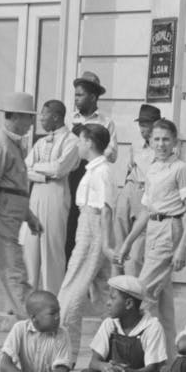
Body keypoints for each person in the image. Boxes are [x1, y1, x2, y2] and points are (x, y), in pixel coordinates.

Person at [115, 118, 186, 358]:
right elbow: (146, 211)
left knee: (142, 295)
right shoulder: (151, 169)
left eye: (166, 139)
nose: (161, 144)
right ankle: (169, 362)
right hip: (153, 229)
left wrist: (182, 248)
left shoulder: (181, 169)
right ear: (149, 141)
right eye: (157, 139)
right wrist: (128, 242)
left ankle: (138, 357)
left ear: (175, 142)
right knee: (163, 304)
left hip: (170, 230)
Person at [0, 92, 43, 317]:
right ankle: (36, 330)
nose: (32, 123)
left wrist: (29, 217)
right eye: (28, 117)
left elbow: (14, 189)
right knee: (16, 276)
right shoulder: (0, 145)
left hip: (6, 220)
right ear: (16, 117)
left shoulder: (13, 145)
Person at [56, 123, 116, 362]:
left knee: (71, 293)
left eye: (80, 140)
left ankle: (66, 355)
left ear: (89, 142)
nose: (78, 145)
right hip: (89, 225)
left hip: (93, 230)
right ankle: (119, 347)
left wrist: (103, 244)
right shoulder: (94, 170)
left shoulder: (101, 172)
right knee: (103, 298)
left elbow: (106, 209)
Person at [23, 99, 78, 294]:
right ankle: (28, 300)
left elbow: (60, 169)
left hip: (56, 195)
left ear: (56, 116)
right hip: (36, 194)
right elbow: (24, 168)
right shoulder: (39, 142)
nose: (41, 119)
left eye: (44, 115)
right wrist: (42, 173)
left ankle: (51, 299)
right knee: (30, 248)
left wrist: (36, 169)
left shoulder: (71, 140)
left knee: (51, 249)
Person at [66, 71, 117, 261]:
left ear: (93, 97)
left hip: (94, 173)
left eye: (80, 95)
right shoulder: (70, 119)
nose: (76, 99)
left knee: (91, 225)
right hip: (72, 175)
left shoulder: (105, 122)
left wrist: (93, 144)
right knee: (70, 225)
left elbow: (112, 154)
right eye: (76, 95)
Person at [113, 104, 160, 277]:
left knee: (137, 247)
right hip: (131, 187)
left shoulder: (162, 146)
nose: (143, 129)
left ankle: (132, 288)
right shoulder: (136, 144)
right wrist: (125, 189)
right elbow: (129, 167)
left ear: (156, 124)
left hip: (147, 193)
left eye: (147, 124)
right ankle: (116, 284)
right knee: (119, 236)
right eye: (141, 124)